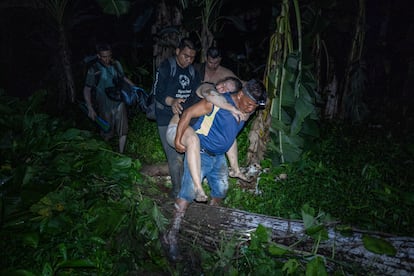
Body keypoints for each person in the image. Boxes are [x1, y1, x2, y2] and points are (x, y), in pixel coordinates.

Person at [163, 79, 267, 261]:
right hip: (200, 152)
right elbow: (187, 113)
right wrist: (179, 139)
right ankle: (171, 233)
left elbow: (230, 138)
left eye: (255, 106)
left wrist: (235, 168)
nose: (251, 109)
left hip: (218, 157)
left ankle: (207, 222)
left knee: (221, 190)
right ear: (240, 94)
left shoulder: (244, 112)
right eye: (249, 104)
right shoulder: (216, 102)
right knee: (187, 193)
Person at [166, 77, 245, 202]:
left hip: (188, 130)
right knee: (193, 140)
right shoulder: (207, 87)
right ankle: (198, 188)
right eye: (222, 85)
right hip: (176, 129)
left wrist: (236, 169)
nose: (221, 89)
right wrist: (232, 108)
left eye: (226, 90)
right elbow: (211, 95)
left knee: (194, 140)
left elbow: (229, 138)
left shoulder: (221, 105)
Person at [152, 38, 201, 198]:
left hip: (184, 118)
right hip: (165, 117)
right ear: (177, 51)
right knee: (175, 157)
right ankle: (177, 193)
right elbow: (157, 92)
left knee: (187, 154)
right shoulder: (167, 67)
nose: (188, 60)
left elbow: (195, 95)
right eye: (185, 56)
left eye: (192, 57)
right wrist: (172, 101)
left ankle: (186, 189)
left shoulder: (193, 72)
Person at [196, 46, 248, 181]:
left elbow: (241, 85)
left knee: (229, 132)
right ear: (206, 58)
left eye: (216, 62)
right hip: (198, 107)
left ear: (220, 60)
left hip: (216, 113)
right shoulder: (197, 69)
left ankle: (234, 169)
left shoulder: (226, 74)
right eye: (210, 62)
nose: (213, 65)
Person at [83, 43, 135, 153]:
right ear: (98, 56)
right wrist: (90, 108)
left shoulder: (116, 64)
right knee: (107, 132)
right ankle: (107, 155)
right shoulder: (94, 69)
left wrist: (135, 88)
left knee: (123, 130)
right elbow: (87, 89)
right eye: (104, 57)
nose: (107, 59)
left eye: (109, 56)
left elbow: (123, 77)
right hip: (104, 106)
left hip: (119, 102)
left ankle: (121, 154)